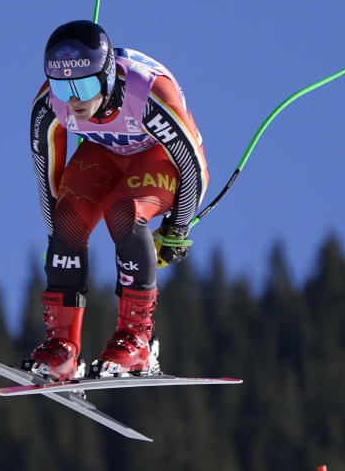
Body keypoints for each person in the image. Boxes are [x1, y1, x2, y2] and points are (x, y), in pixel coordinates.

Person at [25, 19, 209, 381]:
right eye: (63, 88)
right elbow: (48, 180)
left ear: (107, 77)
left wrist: (176, 230)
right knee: (69, 218)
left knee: (123, 212)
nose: (73, 99)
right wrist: (58, 241)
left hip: (157, 156)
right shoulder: (50, 106)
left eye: (84, 85)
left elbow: (191, 165)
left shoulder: (147, 93)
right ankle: (61, 348)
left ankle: (136, 341)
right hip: (104, 153)